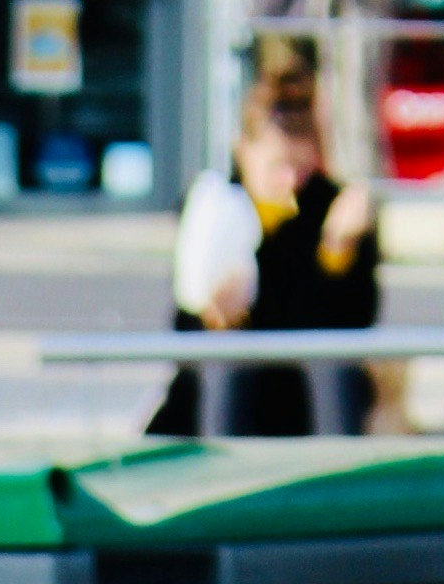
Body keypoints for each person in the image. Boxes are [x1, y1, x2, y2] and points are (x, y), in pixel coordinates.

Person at [149, 46, 381, 442]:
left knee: (330, 357)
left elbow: (356, 319)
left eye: (301, 166)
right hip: (225, 395)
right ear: (245, 150)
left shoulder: (332, 207)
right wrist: (214, 313)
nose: (291, 181)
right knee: (227, 356)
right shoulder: (216, 206)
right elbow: (182, 326)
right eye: (278, 167)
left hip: (302, 394)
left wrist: (337, 251)